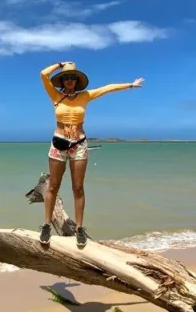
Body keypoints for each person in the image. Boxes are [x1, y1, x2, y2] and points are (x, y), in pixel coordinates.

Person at [38, 61, 144, 247]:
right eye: (66, 77)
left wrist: (130, 85)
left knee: (78, 187)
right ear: (62, 80)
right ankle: (46, 225)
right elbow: (43, 74)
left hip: (78, 144)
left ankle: (79, 228)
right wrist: (60, 64)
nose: (69, 80)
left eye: (72, 77)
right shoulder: (55, 95)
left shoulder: (85, 96)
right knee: (53, 185)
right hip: (58, 144)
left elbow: (107, 88)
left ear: (76, 81)